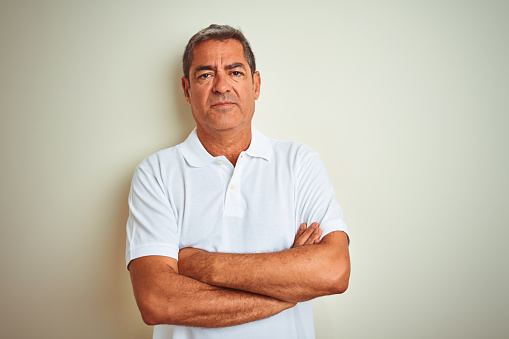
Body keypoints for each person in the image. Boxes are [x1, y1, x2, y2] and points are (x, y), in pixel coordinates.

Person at [126, 24, 351, 339]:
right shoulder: (155, 173)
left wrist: (202, 264)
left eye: (235, 72)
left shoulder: (299, 163)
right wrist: (291, 287)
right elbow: (157, 301)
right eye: (205, 74)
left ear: (256, 85)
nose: (221, 86)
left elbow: (334, 271)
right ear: (187, 89)